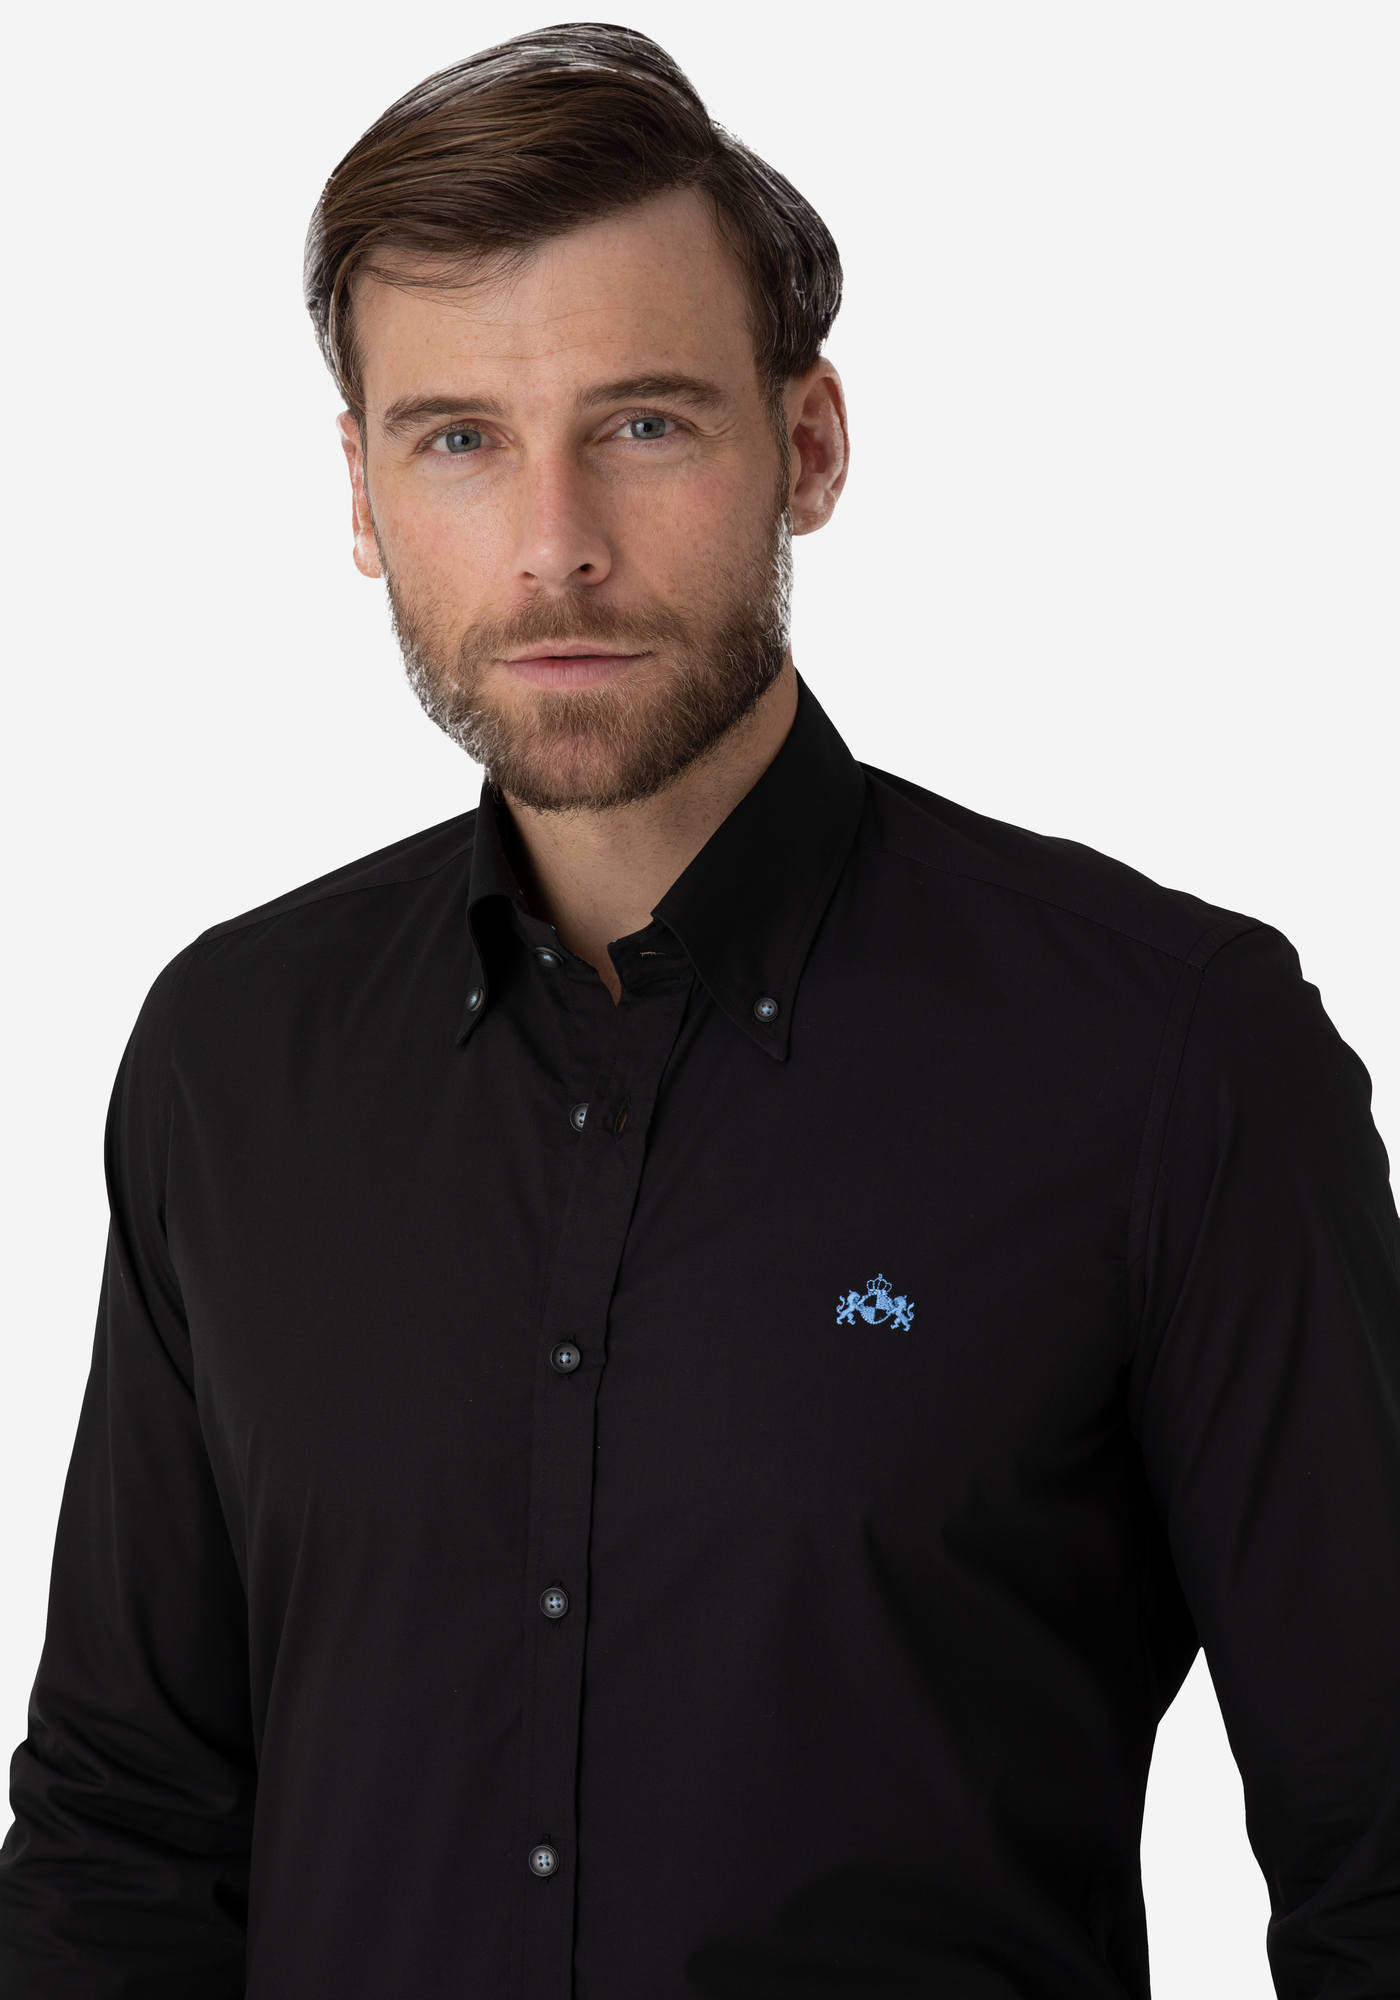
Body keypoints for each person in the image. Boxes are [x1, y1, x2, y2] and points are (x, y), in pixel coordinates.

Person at [2, 22, 1397, 1999]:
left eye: (644, 424)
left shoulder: (1174, 1059)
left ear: (807, 447)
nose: (553, 540)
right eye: (458, 439)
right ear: (362, 490)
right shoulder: (232, 1061)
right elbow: (126, 1834)